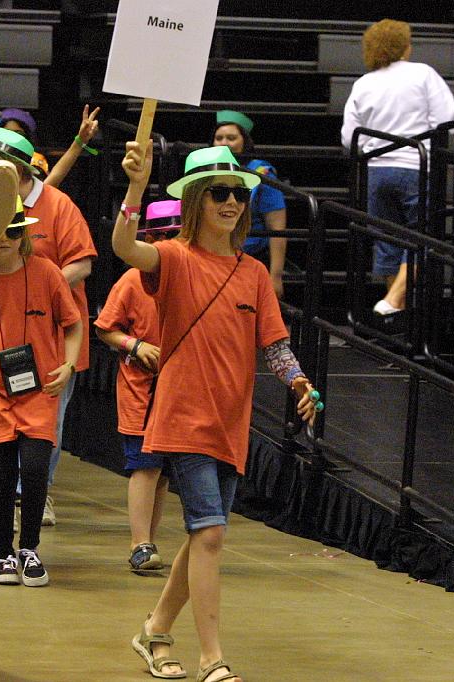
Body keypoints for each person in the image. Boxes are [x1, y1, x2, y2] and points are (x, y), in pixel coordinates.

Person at [113, 142, 319, 682]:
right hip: (182, 418)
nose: (232, 202)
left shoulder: (251, 272)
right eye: (220, 193)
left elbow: (273, 345)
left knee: (205, 534)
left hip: (231, 422)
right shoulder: (174, 259)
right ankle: (213, 658)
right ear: (197, 200)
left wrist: (297, 380)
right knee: (210, 535)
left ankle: (154, 630)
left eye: (238, 193)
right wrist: (136, 187)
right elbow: (124, 247)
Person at [0, 126, 97, 526]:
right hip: (1, 335)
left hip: (51, 338)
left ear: (17, 169)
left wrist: (44, 287)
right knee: (2, 426)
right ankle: (1, 498)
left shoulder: (59, 206)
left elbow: (82, 261)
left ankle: (36, 496)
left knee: (48, 427)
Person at [0, 198, 82, 586]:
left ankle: (28, 548)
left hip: (39, 387)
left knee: (33, 470)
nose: (5, 239)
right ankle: (2, 556)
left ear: (23, 234)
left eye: (14, 230)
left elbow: (73, 323)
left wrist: (68, 364)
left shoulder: (47, 273)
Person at [341, 19, 454, 315]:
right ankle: (393, 302)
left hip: (376, 171)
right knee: (422, 236)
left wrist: (373, 151)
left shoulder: (363, 83)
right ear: (404, 45)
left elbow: (349, 136)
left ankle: (396, 319)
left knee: (388, 241)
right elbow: (445, 122)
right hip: (415, 166)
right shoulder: (422, 74)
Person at [94, 200, 178, 573]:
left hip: (179, 389)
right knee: (144, 467)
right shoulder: (131, 280)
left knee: (161, 473)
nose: (166, 244)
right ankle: (139, 542)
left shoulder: (188, 277)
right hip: (142, 388)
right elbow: (105, 327)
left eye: (174, 236)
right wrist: (136, 345)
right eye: (161, 237)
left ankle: (149, 538)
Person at [212, 110, 288, 298]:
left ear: (244, 141)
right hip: (211, 256)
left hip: (249, 257)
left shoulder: (261, 173)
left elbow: (277, 229)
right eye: (219, 138)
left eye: (231, 138)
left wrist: (275, 276)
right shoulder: (205, 171)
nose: (224, 143)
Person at [0, 105, 101, 189]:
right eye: (7, 132)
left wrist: (80, 141)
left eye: (18, 133)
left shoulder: (36, 161)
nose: (11, 138)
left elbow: (49, 185)